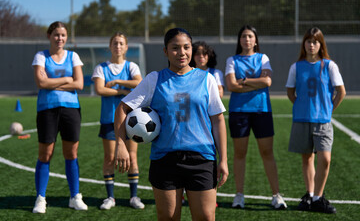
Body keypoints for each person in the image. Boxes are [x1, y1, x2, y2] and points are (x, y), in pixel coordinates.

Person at [114, 28, 228, 220]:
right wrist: (120, 143)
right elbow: (123, 108)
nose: (182, 53)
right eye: (175, 48)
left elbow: (217, 120)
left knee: (206, 217)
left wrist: (223, 159)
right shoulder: (154, 79)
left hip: (202, 159)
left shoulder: (207, 79)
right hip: (165, 160)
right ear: (165, 51)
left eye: (186, 47)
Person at [225, 25, 287, 209]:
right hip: (239, 112)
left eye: (250, 36)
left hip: (262, 110)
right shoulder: (232, 60)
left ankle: (276, 195)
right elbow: (231, 86)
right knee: (240, 153)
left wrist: (243, 81)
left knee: (267, 153)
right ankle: (239, 195)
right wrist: (256, 83)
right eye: (243, 36)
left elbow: (267, 81)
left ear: (255, 40)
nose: (247, 39)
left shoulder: (263, 58)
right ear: (239, 40)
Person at [286, 27, 346, 214]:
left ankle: (319, 198)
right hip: (302, 119)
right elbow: (290, 91)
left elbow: (341, 91)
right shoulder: (296, 67)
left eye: (315, 41)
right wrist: (301, 105)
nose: (311, 45)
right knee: (307, 158)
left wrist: (328, 109)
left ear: (321, 45)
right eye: (308, 41)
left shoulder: (329, 66)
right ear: (304, 44)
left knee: (325, 159)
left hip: (322, 121)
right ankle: (310, 195)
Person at [32, 21, 87, 213]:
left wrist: (51, 82)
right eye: (56, 35)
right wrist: (65, 80)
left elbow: (79, 84)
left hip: (71, 109)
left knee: (71, 154)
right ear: (49, 36)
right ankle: (40, 198)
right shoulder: (41, 56)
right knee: (45, 154)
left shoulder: (73, 56)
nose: (60, 38)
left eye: (63, 35)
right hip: (47, 110)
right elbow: (41, 82)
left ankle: (75, 196)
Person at [91, 32, 144, 210]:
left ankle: (134, 197)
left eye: (121, 43)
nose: (118, 46)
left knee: (132, 156)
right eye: (115, 43)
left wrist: (118, 81)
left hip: (132, 121)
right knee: (110, 157)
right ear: (110, 46)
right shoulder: (101, 68)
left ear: (126, 47)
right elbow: (100, 89)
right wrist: (121, 92)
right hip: (109, 119)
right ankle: (110, 197)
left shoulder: (132, 67)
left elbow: (139, 83)